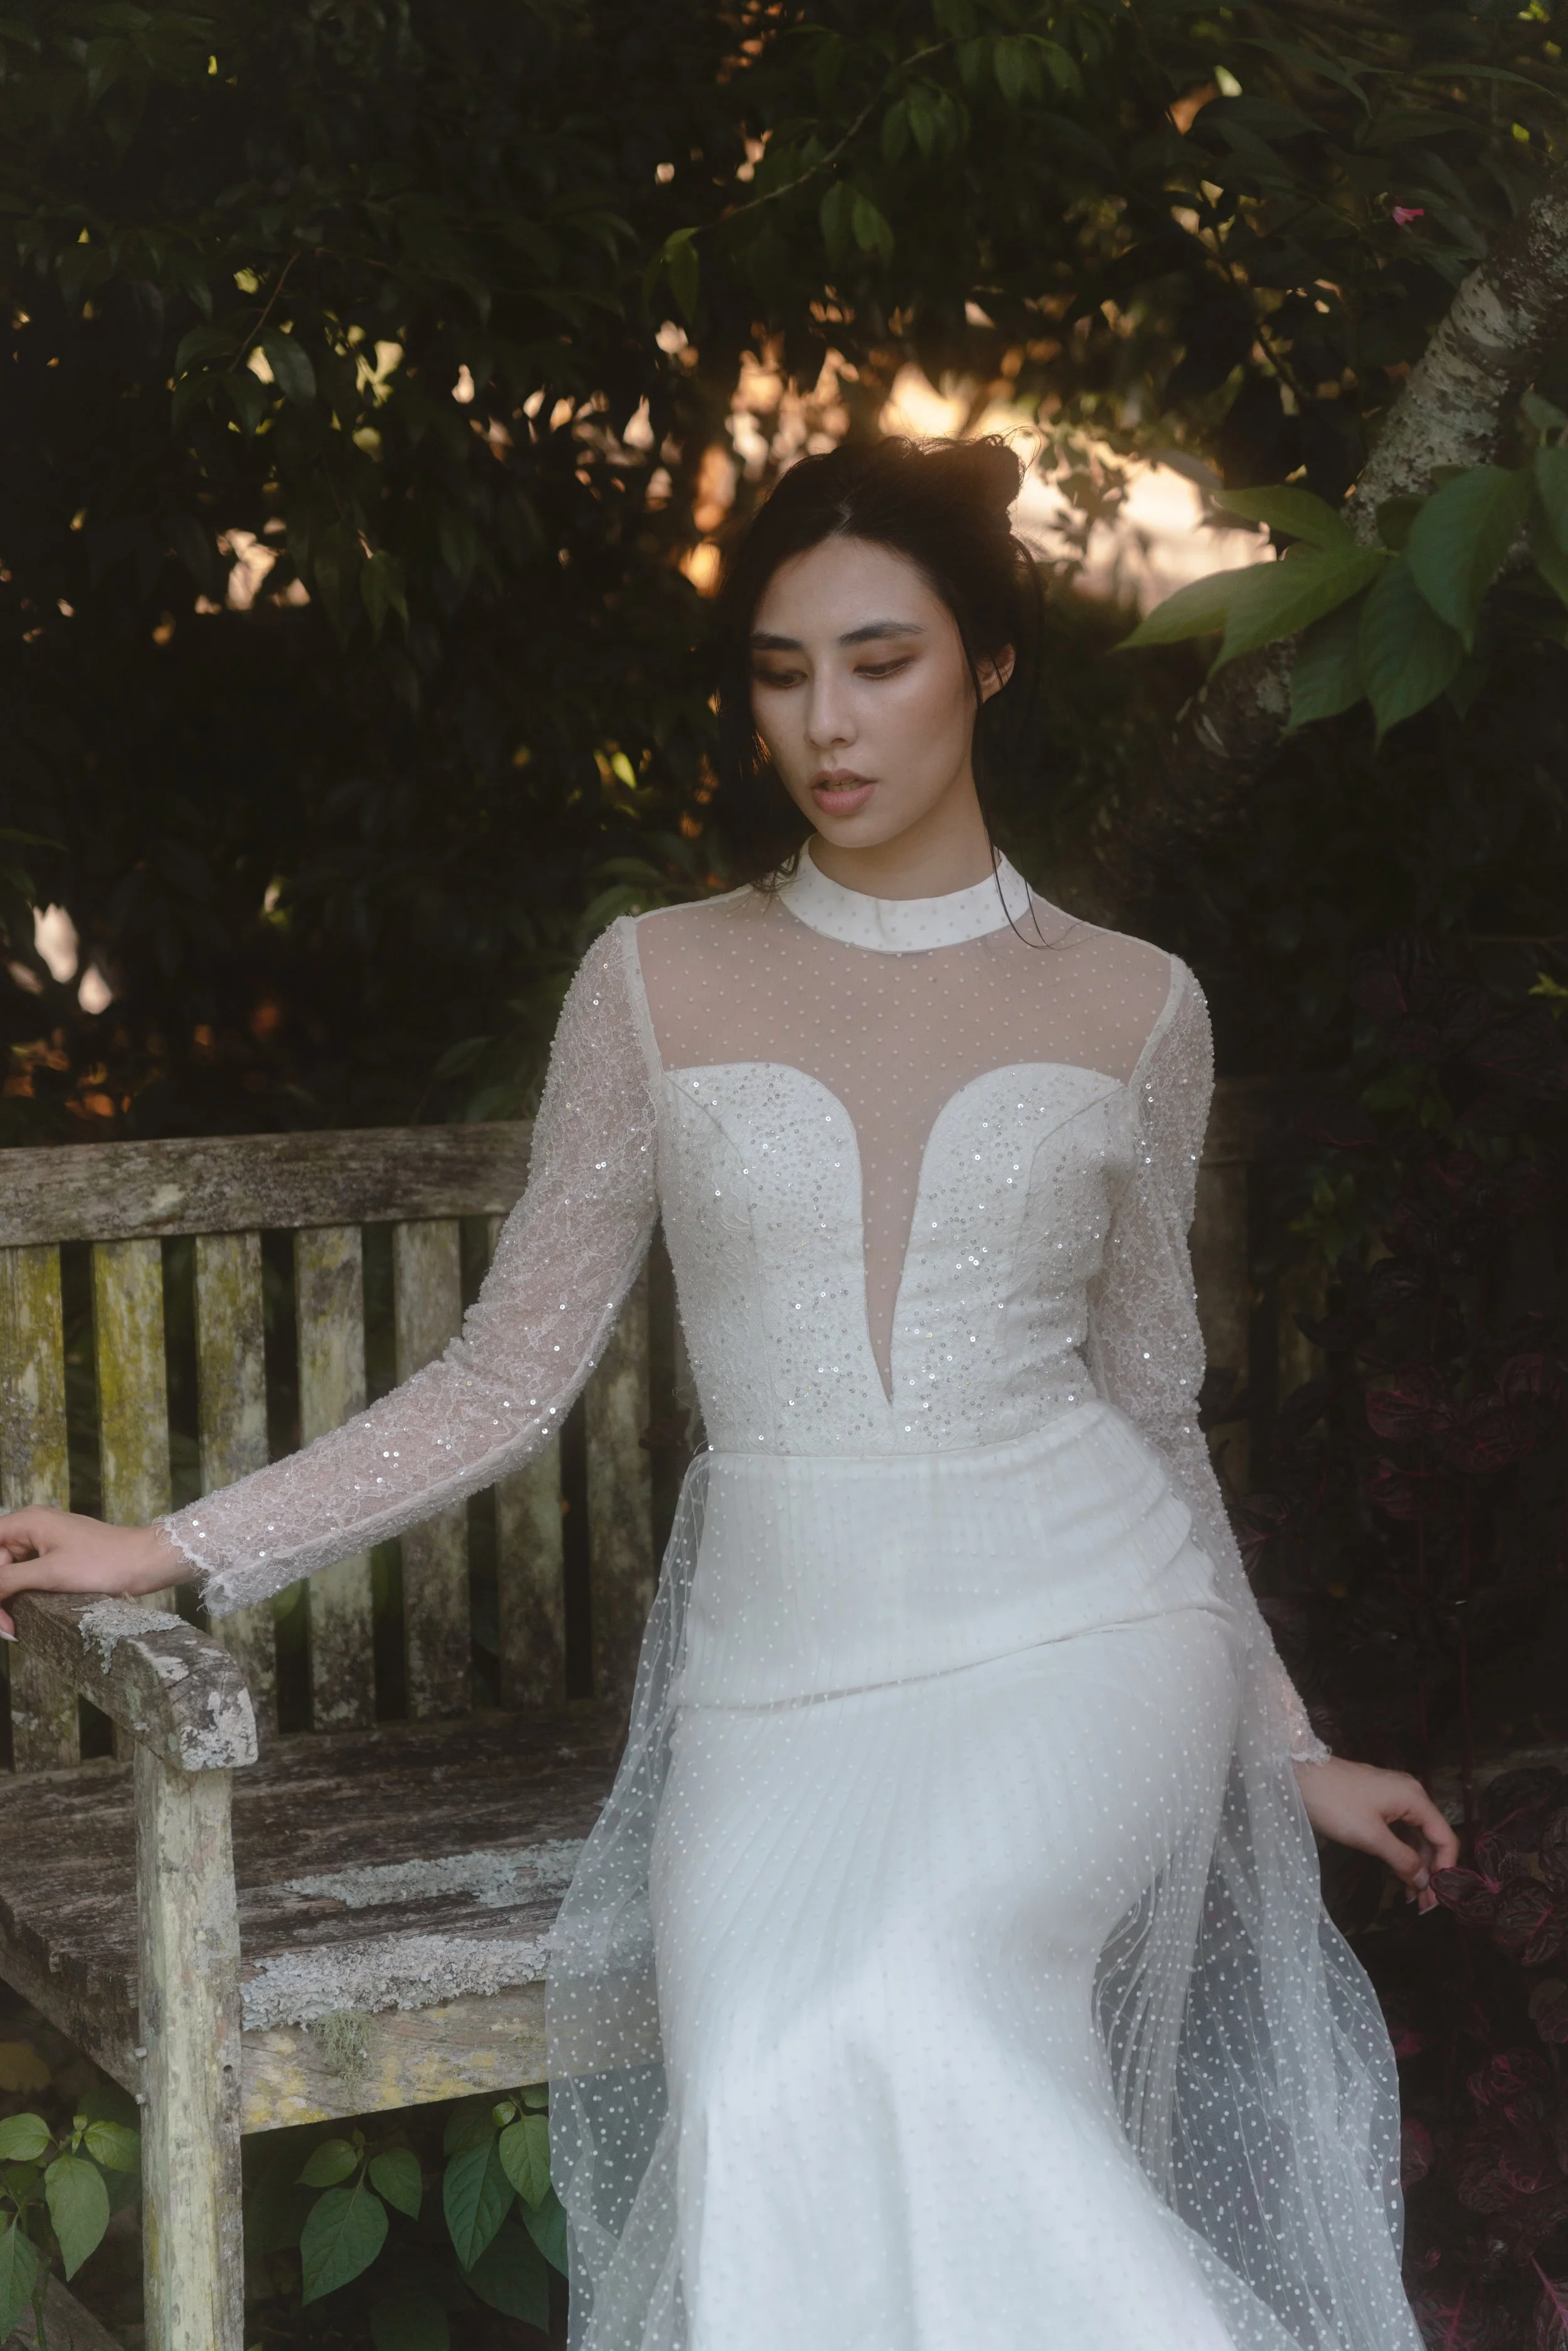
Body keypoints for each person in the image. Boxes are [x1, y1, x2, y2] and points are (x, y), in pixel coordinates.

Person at [0, 436, 1454, 2351]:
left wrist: (1281, 1742)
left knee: (915, 1999)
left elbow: (1154, 1406)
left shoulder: (1137, 1003)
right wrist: (171, 1544)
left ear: (989, 661)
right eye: (780, 675)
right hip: (782, 1682)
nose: (825, 724)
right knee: (773, 2062)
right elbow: (506, 1373)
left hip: (1088, 1638)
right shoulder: (653, 981)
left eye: (879, 661)